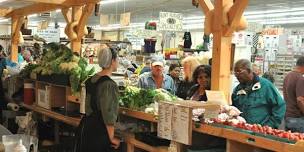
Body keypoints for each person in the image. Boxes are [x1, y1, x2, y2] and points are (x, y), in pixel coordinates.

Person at [82, 47, 120, 151]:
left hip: (87, 127)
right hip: (100, 132)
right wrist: (112, 138)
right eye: (117, 59)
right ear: (112, 61)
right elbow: (108, 114)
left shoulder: (91, 79)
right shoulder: (109, 85)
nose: (118, 62)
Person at [232, 59, 285, 129]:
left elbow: (280, 106)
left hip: (262, 132)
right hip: (243, 131)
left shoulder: (266, 86)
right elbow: (234, 110)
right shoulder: (237, 90)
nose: (236, 75)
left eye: (239, 72)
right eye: (235, 73)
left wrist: (270, 125)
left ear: (249, 71)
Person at [283, 56, 304, 132]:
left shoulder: (288, 76)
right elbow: (300, 100)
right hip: (297, 119)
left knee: (290, 142)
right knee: (300, 143)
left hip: (288, 116)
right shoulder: (300, 78)